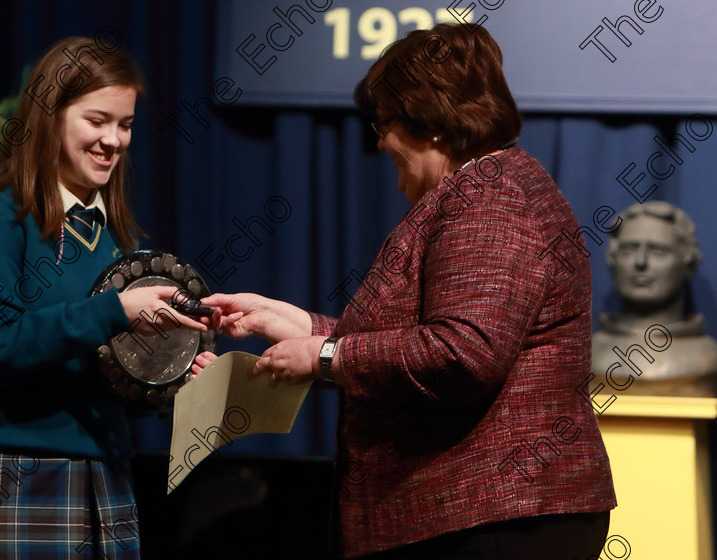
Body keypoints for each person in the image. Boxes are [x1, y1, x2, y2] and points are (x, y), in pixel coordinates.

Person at [197, 23, 616, 559]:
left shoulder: (490, 200)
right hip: (480, 517)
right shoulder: (480, 190)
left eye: (384, 122)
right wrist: (296, 325)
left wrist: (325, 356)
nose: (378, 140)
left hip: (494, 518)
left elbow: (465, 354)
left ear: (432, 121)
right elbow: (422, 337)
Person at [0, 36, 205, 558]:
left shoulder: (117, 241)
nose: (113, 140)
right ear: (49, 117)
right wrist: (113, 310)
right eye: (96, 121)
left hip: (102, 471)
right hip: (1, 473)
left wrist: (167, 371)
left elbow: (102, 375)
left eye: (125, 125)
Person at [592, 201, 717, 394]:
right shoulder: (582, 355)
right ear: (613, 259)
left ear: (689, 264)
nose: (640, 262)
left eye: (658, 251)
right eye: (629, 250)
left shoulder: (709, 359)